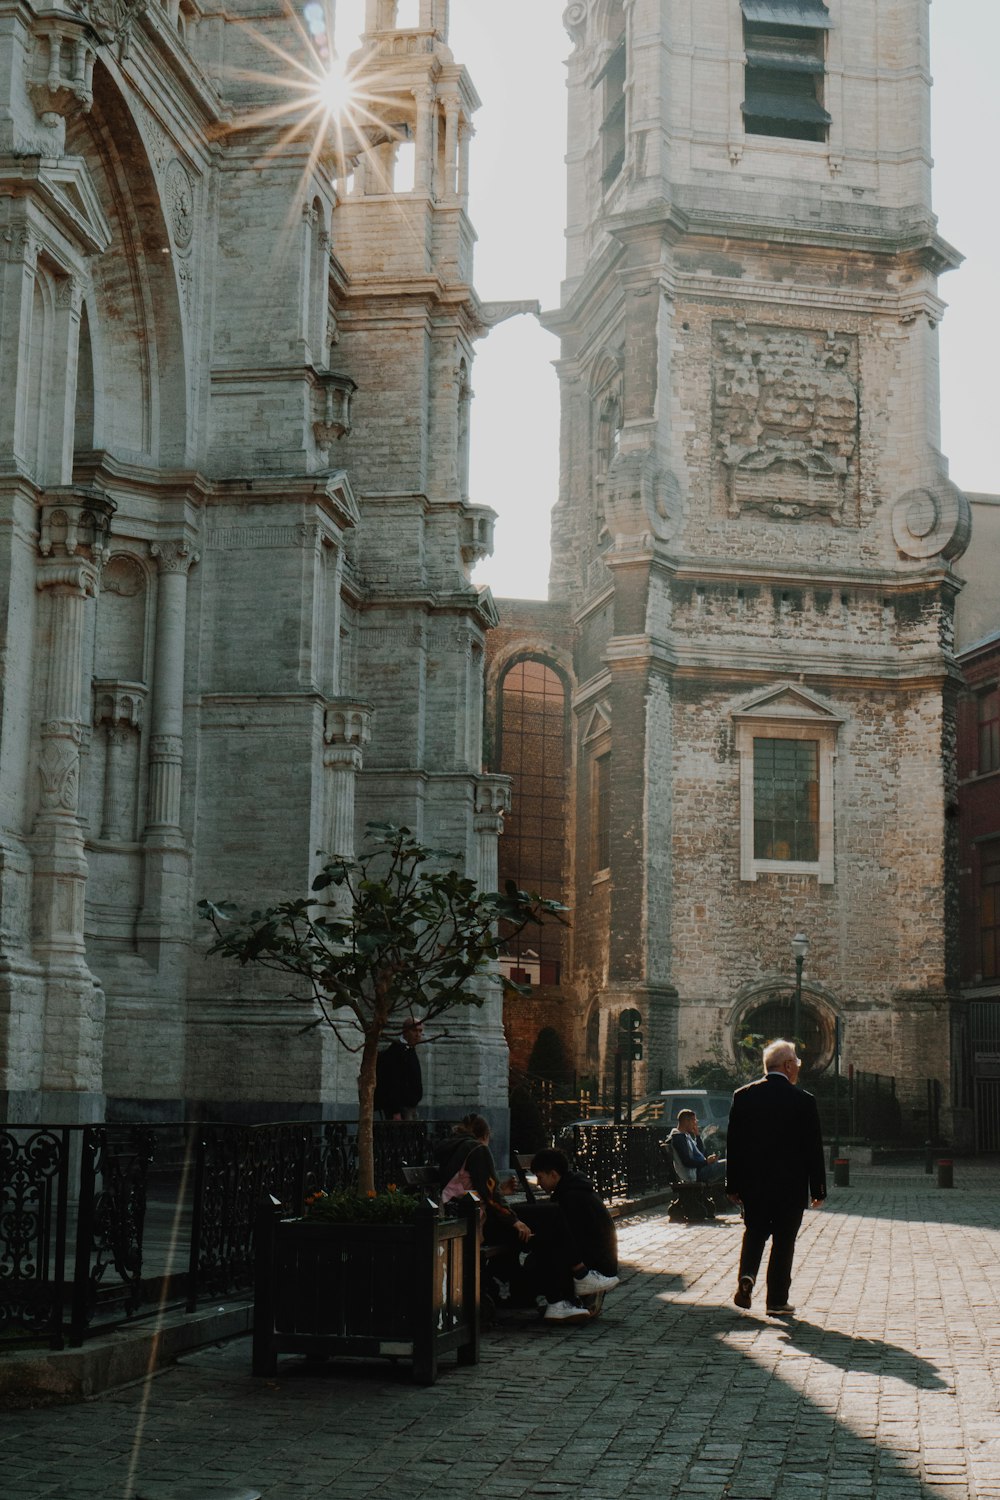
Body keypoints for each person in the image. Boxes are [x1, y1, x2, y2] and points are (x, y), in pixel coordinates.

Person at [434, 1116, 618, 1323]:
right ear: (485, 1136)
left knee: (547, 1228)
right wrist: (514, 1220)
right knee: (552, 1216)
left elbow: (472, 1190)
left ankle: (560, 1300)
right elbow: (490, 1196)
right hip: (479, 1223)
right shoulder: (477, 1149)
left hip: (465, 1218)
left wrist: (502, 1191)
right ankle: (577, 1278)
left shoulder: (455, 1149)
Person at [725, 1038, 826, 1317]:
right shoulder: (804, 1101)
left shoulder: (743, 1096)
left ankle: (747, 1276)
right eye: (797, 1062)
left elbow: (733, 1145)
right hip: (790, 1186)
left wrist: (731, 1185)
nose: (798, 1068)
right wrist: (818, 1188)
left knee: (754, 1233)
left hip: (754, 1185)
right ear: (788, 1065)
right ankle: (777, 1300)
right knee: (784, 1241)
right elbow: (813, 1149)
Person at [530, 1148, 618, 1279]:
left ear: (554, 1175)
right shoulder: (577, 1188)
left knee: (533, 1265)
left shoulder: (570, 1197)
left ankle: (559, 1299)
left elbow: (565, 1237)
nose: (538, 1183)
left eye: (540, 1177)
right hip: (605, 1260)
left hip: (595, 1266)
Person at [374, 1017, 424, 1120]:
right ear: (405, 1031)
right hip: (400, 1109)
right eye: (414, 1030)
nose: (418, 1034)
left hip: (410, 1106)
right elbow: (391, 1082)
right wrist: (395, 1111)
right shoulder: (397, 1051)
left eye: (420, 1031)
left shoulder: (409, 1049)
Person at [667, 1109, 727, 1185]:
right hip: (694, 1174)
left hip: (698, 1170)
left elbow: (700, 1153)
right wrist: (706, 1162)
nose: (695, 1124)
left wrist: (697, 1136)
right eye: (694, 1121)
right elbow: (687, 1162)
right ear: (686, 1121)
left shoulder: (684, 1136)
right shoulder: (679, 1138)